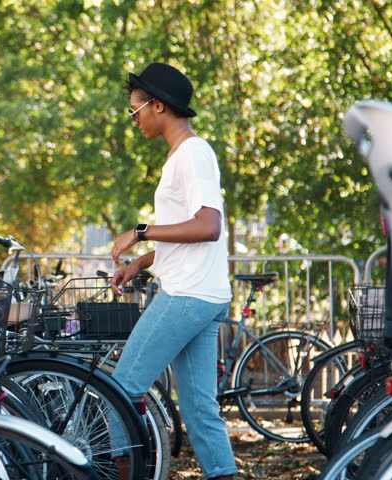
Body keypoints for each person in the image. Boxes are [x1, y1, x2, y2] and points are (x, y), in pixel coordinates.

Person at [109, 62, 237, 480]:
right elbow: (188, 235)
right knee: (201, 409)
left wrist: (141, 232)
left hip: (186, 297)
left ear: (158, 105)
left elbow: (208, 226)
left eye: (135, 110)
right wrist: (140, 264)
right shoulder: (184, 155)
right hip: (203, 295)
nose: (134, 119)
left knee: (121, 390)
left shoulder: (193, 154)